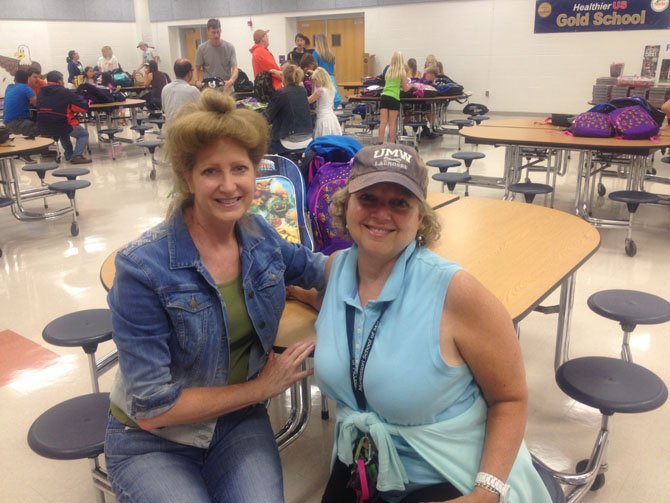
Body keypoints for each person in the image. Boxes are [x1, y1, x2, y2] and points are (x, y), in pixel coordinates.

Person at [104, 89, 331, 502]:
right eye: (211, 171)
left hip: (236, 423)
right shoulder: (142, 268)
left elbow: (320, 270)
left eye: (240, 168)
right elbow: (154, 407)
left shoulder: (260, 236)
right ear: (187, 177)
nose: (229, 186)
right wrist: (261, 389)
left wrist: (392, 254)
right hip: (151, 440)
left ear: (255, 172)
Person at [315, 143, 552, 503]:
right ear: (345, 205)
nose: (382, 213)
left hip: (448, 474)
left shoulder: (456, 292)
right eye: (369, 198)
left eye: (400, 203)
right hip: (365, 465)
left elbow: (510, 398)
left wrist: (485, 493)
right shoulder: (336, 271)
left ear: (420, 217)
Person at [37, 70, 91, 164]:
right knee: (83, 134)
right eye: (62, 80)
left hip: (43, 125)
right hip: (61, 123)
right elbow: (82, 107)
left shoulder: (41, 91)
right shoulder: (64, 91)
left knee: (62, 132)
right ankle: (76, 156)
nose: (64, 82)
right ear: (59, 81)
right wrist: (87, 101)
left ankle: (69, 155)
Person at [265, 64, 313, 155]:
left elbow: (267, 117)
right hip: (307, 137)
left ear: (284, 77)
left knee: (264, 144)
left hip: (289, 141)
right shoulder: (303, 91)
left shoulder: (281, 93)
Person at [195, 18, 238, 92]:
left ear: (221, 31)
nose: (216, 35)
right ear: (208, 31)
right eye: (213, 32)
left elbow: (235, 68)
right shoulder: (201, 49)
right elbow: (196, 69)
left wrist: (231, 81)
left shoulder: (229, 47)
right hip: (209, 90)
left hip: (226, 88)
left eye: (218, 32)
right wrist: (196, 81)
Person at [378, 52, 412, 144]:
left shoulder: (388, 70)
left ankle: (380, 142)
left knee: (383, 122)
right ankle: (392, 143)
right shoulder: (402, 72)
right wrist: (411, 85)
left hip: (384, 96)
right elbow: (405, 89)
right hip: (394, 97)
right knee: (392, 123)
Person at [161, 58, 201, 124]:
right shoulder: (192, 90)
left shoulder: (165, 88)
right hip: (186, 130)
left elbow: (164, 110)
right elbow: (203, 111)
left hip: (168, 130)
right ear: (189, 73)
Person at [3, 69, 38, 137]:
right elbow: (36, 103)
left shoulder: (9, 87)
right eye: (35, 77)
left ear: (14, 79)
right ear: (27, 79)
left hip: (6, 123)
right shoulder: (26, 88)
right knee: (42, 129)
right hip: (18, 123)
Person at [308, 67, 342, 138]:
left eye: (315, 80)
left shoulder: (320, 91)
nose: (314, 82)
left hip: (323, 120)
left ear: (320, 79)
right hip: (332, 117)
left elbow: (307, 101)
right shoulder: (331, 89)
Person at [312, 34, 342, 109]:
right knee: (334, 100)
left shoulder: (315, 54)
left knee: (322, 103)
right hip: (331, 79)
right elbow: (334, 69)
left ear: (317, 42)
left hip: (321, 80)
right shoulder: (331, 54)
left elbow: (315, 70)